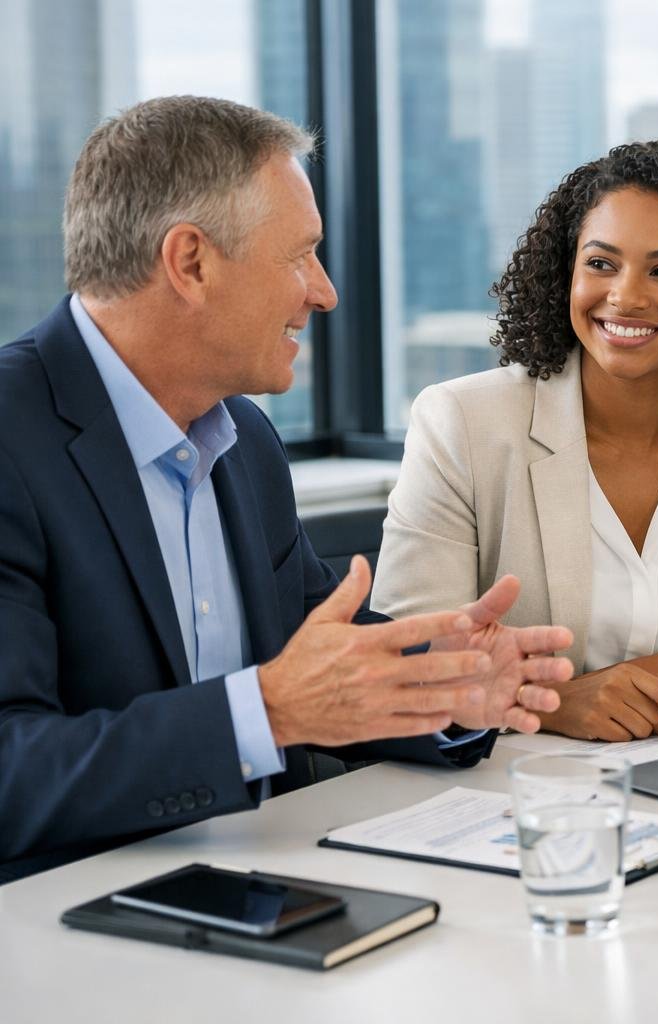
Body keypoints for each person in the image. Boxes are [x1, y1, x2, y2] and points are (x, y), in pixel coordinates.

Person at [0, 96, 572, 883]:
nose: (324, 292)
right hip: (68, 924)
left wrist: (445, 684)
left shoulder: (244, 437)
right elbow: (12, 769)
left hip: (273, 882)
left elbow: (316, 658)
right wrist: (266, 713)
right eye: (299, 256)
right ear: (191, 262)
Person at [372, 141, 658, 742]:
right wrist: (550, 703)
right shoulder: (463, 421)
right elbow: (406, 659)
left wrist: (646, 679)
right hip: (515, 775)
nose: (625, 296)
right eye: (601, 263)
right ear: (565, 275)